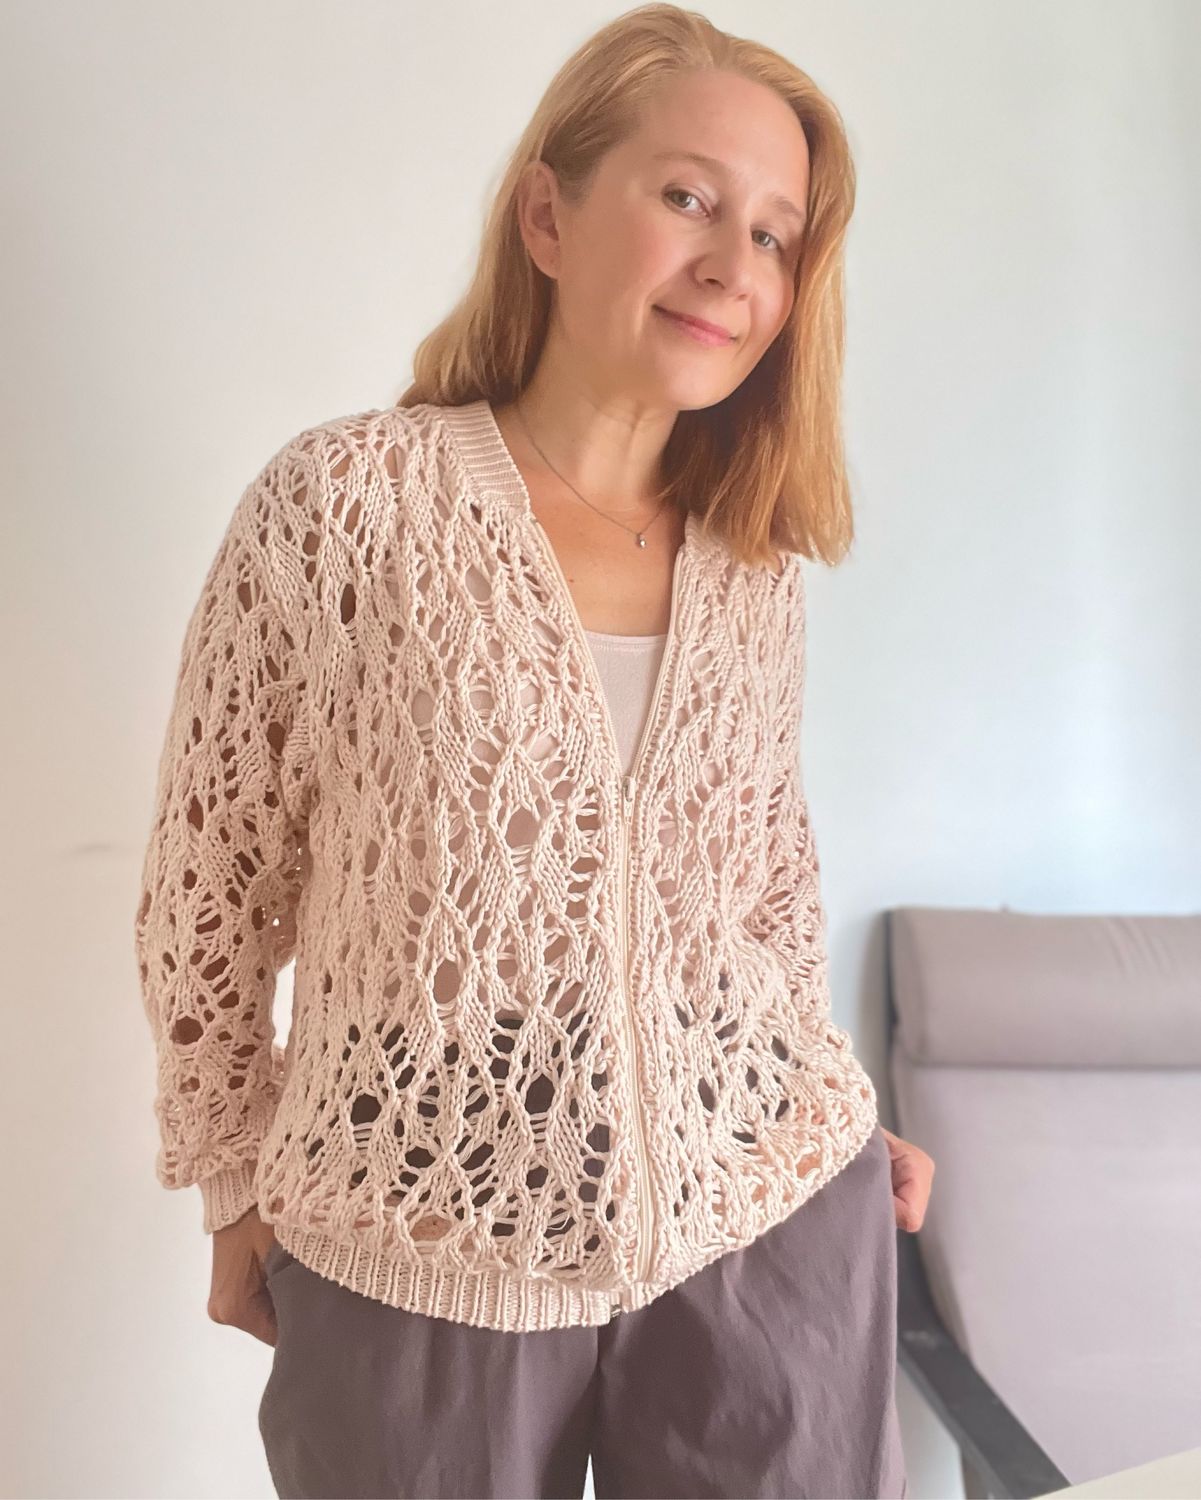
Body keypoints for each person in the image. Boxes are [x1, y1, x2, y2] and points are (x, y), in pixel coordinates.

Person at [133, 4, 930, 1495]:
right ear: (547, 216)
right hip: (419, 1223)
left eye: (774, 235)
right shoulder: (349, 504)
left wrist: (819, 1099)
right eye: (688, 196)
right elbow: (210, 880)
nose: (733, 265)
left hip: (764, 1220)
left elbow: (760, 891)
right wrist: (230, 1174)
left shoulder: (752, 562)